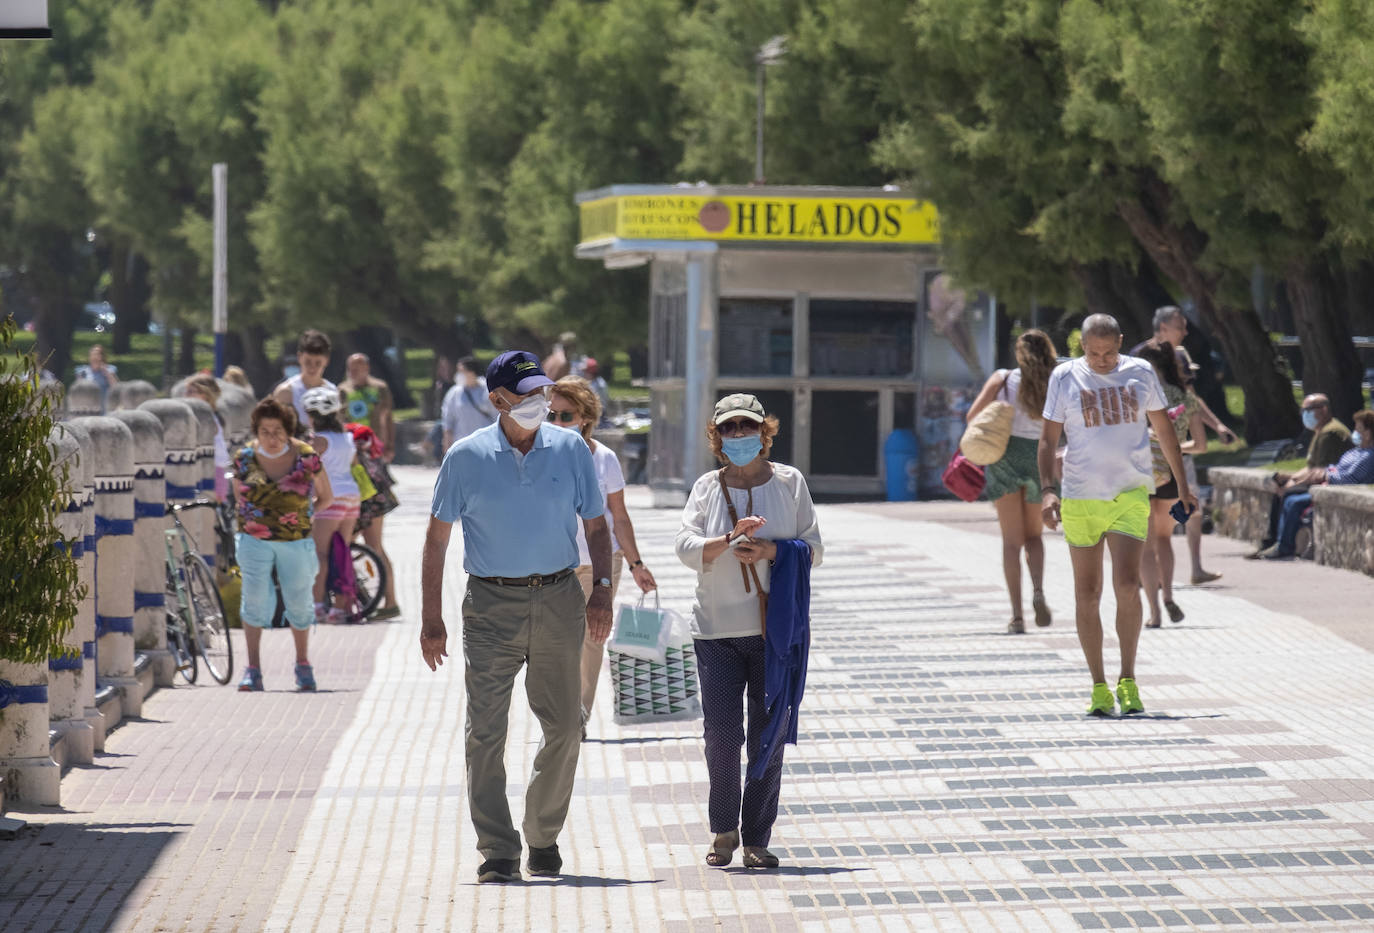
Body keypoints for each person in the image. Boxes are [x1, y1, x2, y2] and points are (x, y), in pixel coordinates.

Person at [420, 350, 613, 884]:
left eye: (542, 392)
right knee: (485, 731)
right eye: (526, 394)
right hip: (489, 606)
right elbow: (436, 542)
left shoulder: (571, 448)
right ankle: (498, 849)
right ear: (497, 400)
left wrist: (602, 591)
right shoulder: (465, 457)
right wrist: (430, 619)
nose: (539, 402)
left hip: (559, 600)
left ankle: (542, 833)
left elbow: (597, 528)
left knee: (567, 726)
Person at [675, 393, 823, 871]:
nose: (740, 435)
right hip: (715, 631)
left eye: (748, 426)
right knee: (721, 734)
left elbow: (813, 548)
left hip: (773, 633)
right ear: (718, 437)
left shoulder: (789, 482)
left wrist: (771, 552)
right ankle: (724, 830)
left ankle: (757, 838)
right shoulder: (705, 487)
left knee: (768, 735)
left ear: (765, 433)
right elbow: (684, 546)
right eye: (730, 428)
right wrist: (728, 540)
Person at [1038, 314, 1195, 718]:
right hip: (1080, 497)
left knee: (1128, 586)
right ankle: (1098, 686)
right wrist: (1047, 491)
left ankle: (1127, 678)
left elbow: (1163, 430)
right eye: (1093, 353)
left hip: (1130, 492)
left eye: (1109, 352)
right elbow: (1048, 438)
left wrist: (1182, 485)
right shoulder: (1065, 378)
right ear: (1082, 347)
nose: (1102, 359)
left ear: (1120, 343)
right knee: (1087, 594)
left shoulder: (1140, 372)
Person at [547, 376, 658, 738]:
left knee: (592, 639)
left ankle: (577, 717)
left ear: (585, 417)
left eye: (567, 416)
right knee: (556, 640)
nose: (558, 423)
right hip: (554, 562)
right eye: (552, 416)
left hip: (601, 561)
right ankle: (559, 711)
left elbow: (619, 516)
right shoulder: (539, 455)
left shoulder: (605, 459)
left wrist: (636, 563)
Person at [232, 398, 332, 692]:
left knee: (299, 601)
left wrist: (305, 516)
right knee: (253, 600)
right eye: (265, 431)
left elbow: (327, 496)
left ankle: (303, 664)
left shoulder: (307, 456)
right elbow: (240, 497)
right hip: (253, 540)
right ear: (256, 432)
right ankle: (253, 669)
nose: (271, 438)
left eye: (277, 431)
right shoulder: (244, 457)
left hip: (295, 541)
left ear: (288, 431)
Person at [1131, 307, 1237, 584]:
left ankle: (1188, 571)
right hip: (1158, 457)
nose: (1186, 332)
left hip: (1163, 456)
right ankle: (1157, 579)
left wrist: (1218, 425)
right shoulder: (1142, 358)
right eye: (1181, 326)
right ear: (1164, 327)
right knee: (1158, 525)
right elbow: (1189, 401)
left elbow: (1192, 399)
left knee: (1183, 515)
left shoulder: (1178, 357)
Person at [964, 330, 1058, 634]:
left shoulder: (1003, 379)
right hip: (1037, 456)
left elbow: (972, 416)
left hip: (1004, 455)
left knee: (1011, 542)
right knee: (1034, 537)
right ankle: (1039, 591)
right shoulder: (1055, 380)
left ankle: (1017, 616)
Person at [1134, 341, 1208, 628]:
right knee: (1165, 539)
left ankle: (1153, 611)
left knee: (1145, 547)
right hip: (1169, 476)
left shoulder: (1135, 394)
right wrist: (1172, 447)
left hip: (1139, 474)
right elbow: (1200, 445)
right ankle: (1168, 597)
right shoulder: (1185, 397)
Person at [1253, 408, 1372, 559]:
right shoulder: (1354, 453)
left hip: (1331, 490)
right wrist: (1324, 472)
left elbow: (1348, 478)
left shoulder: (1368, 456)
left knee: (1294, 502)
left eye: (1359, 429)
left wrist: (1325, 474)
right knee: (1289, 499)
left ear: (1368, 434)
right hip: (1325, 487)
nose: (1355, 432)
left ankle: (1284, 547)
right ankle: (1278, 543)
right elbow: (1334, 468)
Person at [301, 386, 361, 624]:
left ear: (313, 415)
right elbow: (353, 461)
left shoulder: (317, 441)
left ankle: (317, 605)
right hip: (351, 498)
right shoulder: (347, 437)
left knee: (321, 554)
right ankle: (339, 608)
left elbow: (307, 468)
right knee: (342, 552)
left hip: (330, 498)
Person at [273, 329, 336, 437]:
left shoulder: (333, 391)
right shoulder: (286, 392)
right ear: (299, 357)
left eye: (318, 363)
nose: (312, 368)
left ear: (326, 360)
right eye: (308, 362)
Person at [338, 353, 396, 462]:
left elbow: (388, 418)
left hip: (375, 443)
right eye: (350, 369)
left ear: (366, 368)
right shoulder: (343, 390)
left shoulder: (380, 388)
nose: (352, 373)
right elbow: (339, 419)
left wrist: (390, 445)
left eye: (356, 369)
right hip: (352, 445)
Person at [185, 373, 230, 502]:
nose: (186, 395)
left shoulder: (210, 419)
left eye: (191, 392)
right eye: (187, 391)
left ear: (205, 395)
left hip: (213, 470)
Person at [440, 356, 499, 451]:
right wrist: (447, 443)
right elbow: (448, 420)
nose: (458, 374)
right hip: (462, 445)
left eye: (461, 371)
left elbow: (498, 418)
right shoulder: (454, 393)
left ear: (472, 372)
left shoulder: (488, 391)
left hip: (486, 444)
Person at [76, 344, 118, 413]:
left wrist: (106, 372)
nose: (95, 357)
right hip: (87, 407)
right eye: (93, 355)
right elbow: (77, 390)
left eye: (97, 355)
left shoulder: (110, 370)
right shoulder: (82, 371)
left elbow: (116, 387)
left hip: (105, 406)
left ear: (102, 357)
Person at [580, 357, 612, 425]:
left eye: (585, 371)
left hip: (596, 414)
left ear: (590, 372)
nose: (583, 374)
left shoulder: (598, 385)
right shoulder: (592, 382)